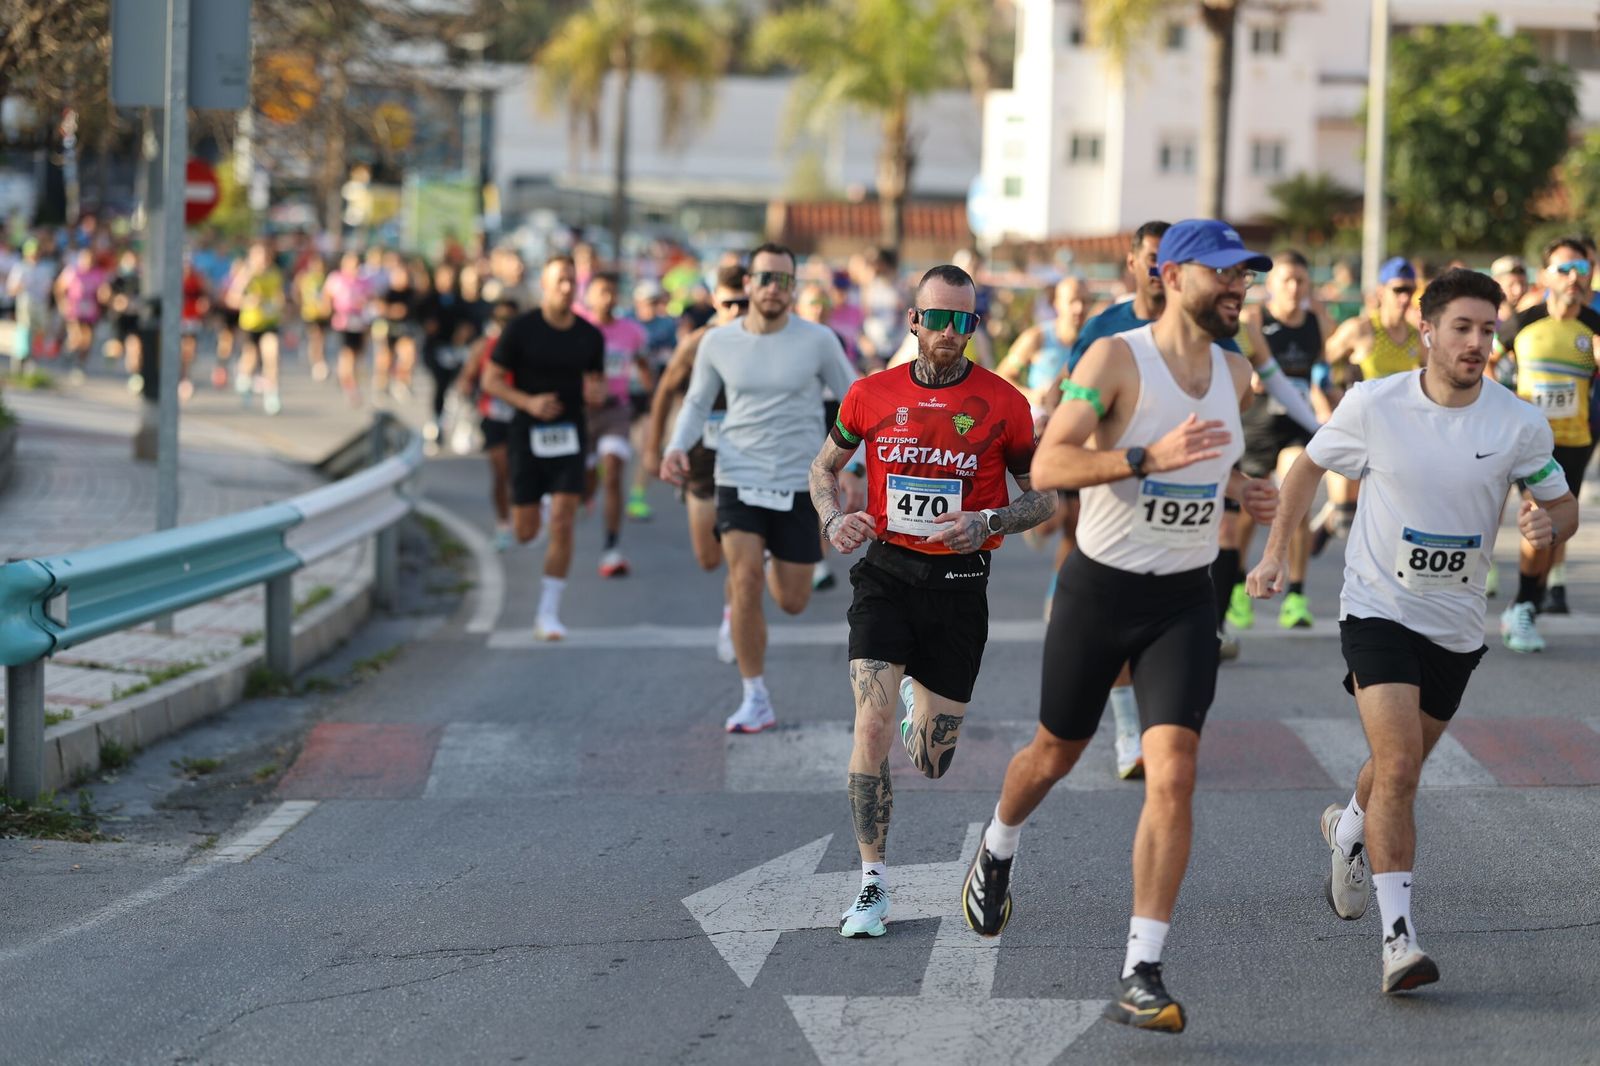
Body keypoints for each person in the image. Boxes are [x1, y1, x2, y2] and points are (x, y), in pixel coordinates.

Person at [962, 220, 1279, 1034]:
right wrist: (1144, 458)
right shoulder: (1113, 359)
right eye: (1224, 274)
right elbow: (1049, 465)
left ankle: (1142, 970)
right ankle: (997, 845)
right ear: (1171, 275)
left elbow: (1210, 459)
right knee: (1053, 754)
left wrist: (1241, 490)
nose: (1239, 289)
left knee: (1172, 772)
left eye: (1245, 276)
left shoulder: (1237, 372)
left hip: (1184, 600)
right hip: (1099, 592)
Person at [1246, 267, 1578, 994]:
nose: (1476, 342)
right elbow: (1306, 470)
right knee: (1399, 766)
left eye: (1487, 329)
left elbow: (1563, 506)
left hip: (1456, 623)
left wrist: (1548, 524)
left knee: (1398, 765)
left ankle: (1348, 829)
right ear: (1427, 331)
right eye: (1462, 327)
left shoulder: (1518, 422)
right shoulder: (1375, 403)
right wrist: (1273, 554)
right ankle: (1399, 940)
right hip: (1378, 607)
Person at [810, 264, 1054, 938]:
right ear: (914, 320)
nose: (949, 331)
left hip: (961, 584)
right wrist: (833, 519)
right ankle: (872, 885)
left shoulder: (1004, 402)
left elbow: (1043, 497)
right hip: (886, 575)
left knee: (931, 761)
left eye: (962, 321)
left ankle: (922, 703)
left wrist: (990, 521)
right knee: (870, 726)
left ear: (973, 326)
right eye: (937, 318)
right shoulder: (870, 394)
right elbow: (824, 467)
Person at [662, 243, 857, 732]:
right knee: (744, 579)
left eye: (784, 280)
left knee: (792, 600)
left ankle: (773, 557)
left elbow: (855, 402)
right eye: (765, 278)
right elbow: (696, 402)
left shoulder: (818, 341)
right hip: (737, 476)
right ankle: (755, 696)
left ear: (794, 288)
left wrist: (853, 467)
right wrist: (675, 446)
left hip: (798, 482)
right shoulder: (718, 342)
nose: (774, 288)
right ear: (748, 284)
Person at [482, 254, 605, 640]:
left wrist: (597, 395)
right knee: (525, 531)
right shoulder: (521, 329)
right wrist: (528, 402)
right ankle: (538, 510)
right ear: (545, 285)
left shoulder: (590, 335)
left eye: (571, 281)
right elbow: (490, 380)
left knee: (564, 521)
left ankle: (548, 613)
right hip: (527, 433)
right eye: (559, 281)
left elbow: (596, 384)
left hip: (569, 433)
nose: (566, 288)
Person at [1493, 237, 1600, 645]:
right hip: (1531, 443)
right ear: (1545, 276)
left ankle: (1528, 603)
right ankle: (1522, 605)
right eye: (1564, 269)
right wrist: (1501, 403)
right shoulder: (1524, 322)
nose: (1573, 278)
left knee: (1559, 527)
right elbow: (1486, 357)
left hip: (1577, 440)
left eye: (1581, 269)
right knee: (1538, 515)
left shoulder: (1594, 325)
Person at [645, 266, 750, 663]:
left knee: (742, 554)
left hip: (749, 461)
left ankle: (731, 617)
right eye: (729, 304)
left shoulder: (766, 341)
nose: (737, 311)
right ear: (714, 301)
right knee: (709, 558)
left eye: (744, 303)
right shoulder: (697, 343)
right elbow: (664, 392)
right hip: (702, 461)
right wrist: (653, 448)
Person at [1229, 250, 1334, 631]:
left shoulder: (1318, 323)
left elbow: (1326, 373)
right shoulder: (1255, 320)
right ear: (1271, 285)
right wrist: (1250, 377)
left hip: (1297, 425)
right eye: (1286, 280)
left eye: (1300, 281)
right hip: (1257, 425)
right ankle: (1238, 588)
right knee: (1249, 507)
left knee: (1296, 500)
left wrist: (1330, 406)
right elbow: (1242, 365)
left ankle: (1296, 596)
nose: (1294, 287)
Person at [582, 272, 653, 578]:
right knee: (587, 478)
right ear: (589, 296)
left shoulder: (632, 332)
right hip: (582, 414)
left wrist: (652, 399)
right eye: (601, 292)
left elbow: (644, 366)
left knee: (612, 472)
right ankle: (586, 493)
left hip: (616, 411)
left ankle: (611, 547)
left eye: (612, 292)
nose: (607, 298)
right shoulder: (579, 328)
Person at [457, 298, 523, 550]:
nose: (505, 324)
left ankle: (524, 517)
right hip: (493, 416)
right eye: (501, 319)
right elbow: (467, 377)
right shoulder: (484, 346)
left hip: (521, 417)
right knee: (501, 471)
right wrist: (466, 390)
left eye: (511, 320)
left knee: (519, 473)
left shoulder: (527, 347)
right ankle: (504, 525)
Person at [229, 241, 286, 415]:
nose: (262, 260)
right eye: (258, 256)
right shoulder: (246, 275)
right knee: (250, 358)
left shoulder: (275, 274)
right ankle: (244, 378)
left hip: (269, 322)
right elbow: (232, 298)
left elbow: (280, 297)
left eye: (265, 256)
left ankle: (272, 394)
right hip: (251, 324)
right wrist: (248, 300)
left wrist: (278, 305)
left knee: (272, 355)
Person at [323, 251, 375, 406]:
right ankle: (350, 387)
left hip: (359, 323)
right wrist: (328, 311)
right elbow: (327, 297)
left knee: (357, 355)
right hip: (343, 323)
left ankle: (345, 378)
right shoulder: (336, 278)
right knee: (348, 355)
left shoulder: (364, 281)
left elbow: (371, 299)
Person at [55, 247, 106, 384]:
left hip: (91, 311)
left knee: (87, 341)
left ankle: (80, 365)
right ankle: (68, 351)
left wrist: (104, 296)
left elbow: (102, 291)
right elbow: (59, 287)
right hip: (74, 310)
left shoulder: (97, 273)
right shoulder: (72, 272)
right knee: (77, 338)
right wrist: (62, 303)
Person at [295, 253, 333, 382]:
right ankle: (317, 364)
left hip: (324, 313)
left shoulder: (326, 278)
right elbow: (297, 292)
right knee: (315, 337)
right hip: (310, 313)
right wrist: (300, 305)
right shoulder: (304, 277)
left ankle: (320, 360)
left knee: (321, 339)